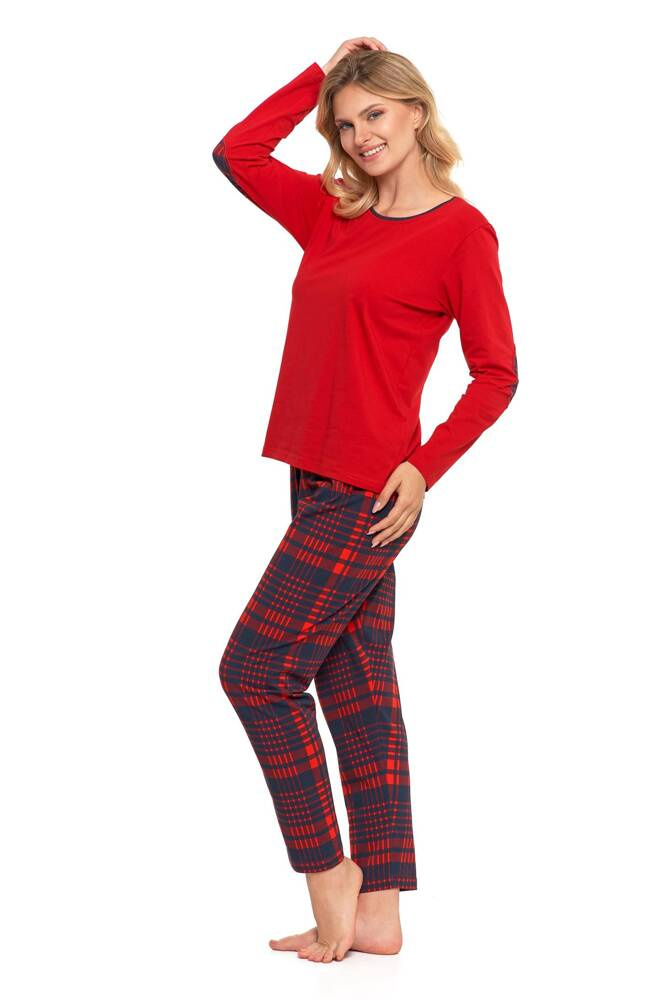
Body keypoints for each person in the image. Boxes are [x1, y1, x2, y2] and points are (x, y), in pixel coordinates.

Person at [212, 36, 519, 963]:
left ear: (416, 111)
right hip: (311, 476)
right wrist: (320, 74)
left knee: (255, 672)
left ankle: (330, 874)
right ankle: (379, 912)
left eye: (374, 113)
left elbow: (496, 373)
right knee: (356, 685)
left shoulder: (460, 233)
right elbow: (236, 153)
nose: (359, 136)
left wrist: (424, 467)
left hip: (370, 489)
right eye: (344, 125)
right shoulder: (330, 211)